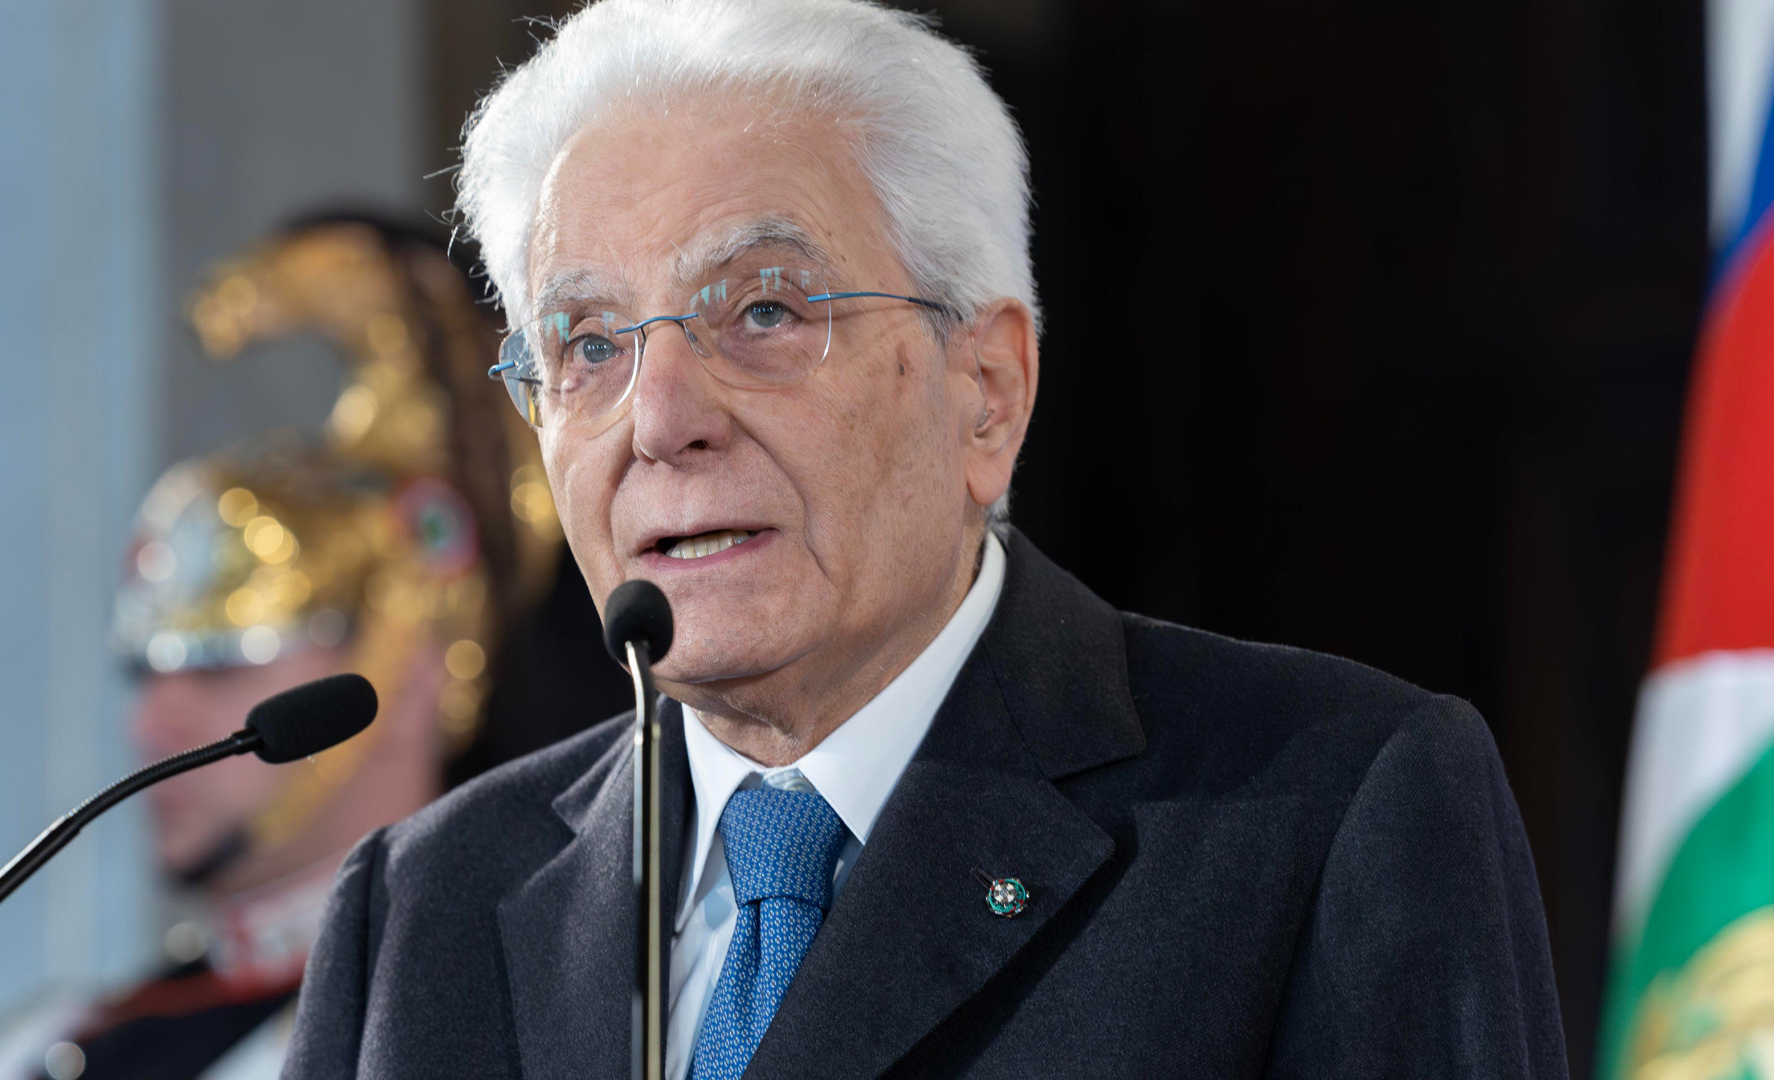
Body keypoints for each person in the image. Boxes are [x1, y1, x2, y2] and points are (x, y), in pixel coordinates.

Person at [283, 2, 1569, 1076]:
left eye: (765, 312)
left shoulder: (1327, 812)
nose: (660, 420)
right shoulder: (424, 908)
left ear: (987, 391)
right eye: (588, 345)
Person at [0, 216, 612, 1080]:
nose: (151, 723)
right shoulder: (58, 1043)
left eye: (220, 662)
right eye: (145, 670)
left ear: (412, 673)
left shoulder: (531, 1021)